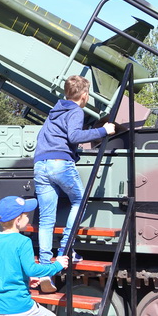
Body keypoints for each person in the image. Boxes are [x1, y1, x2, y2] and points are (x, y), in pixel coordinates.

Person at [33, 75, 115, 292]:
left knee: (46, 219)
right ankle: (65, 251)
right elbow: (75, 136)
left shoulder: (54, 111)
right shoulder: (76, 110)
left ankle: (45, 268)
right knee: (80, 201)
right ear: (85, 95)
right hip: (60, 164)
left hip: (40, 165)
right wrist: (104, 131)